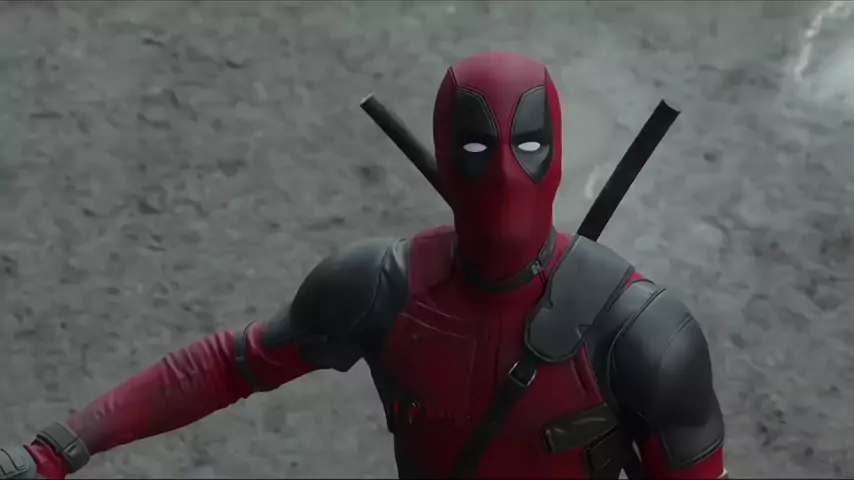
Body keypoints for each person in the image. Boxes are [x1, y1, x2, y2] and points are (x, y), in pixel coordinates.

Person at [0, 52, 727, 479]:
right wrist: (59, 449)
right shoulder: (379, 289)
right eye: (476, 148)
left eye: (528, 146)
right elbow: (224, 366)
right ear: (445, 155)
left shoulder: (641, 336)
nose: (506, 174)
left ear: (556, 155)